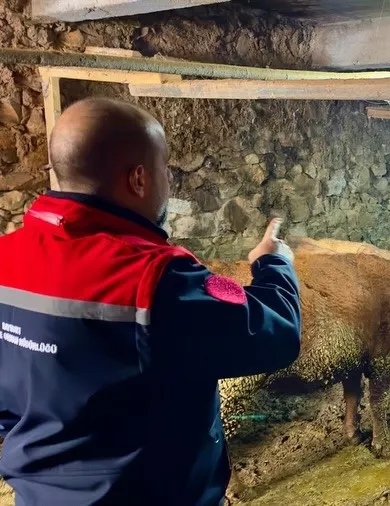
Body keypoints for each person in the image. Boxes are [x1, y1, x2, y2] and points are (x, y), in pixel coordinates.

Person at [0, 97, 302, 505]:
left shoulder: (5, 258)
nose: (167, 183)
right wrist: (273, 264)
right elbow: (276, 334)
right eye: (166, 171)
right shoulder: (157, 280)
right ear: (139, 178)